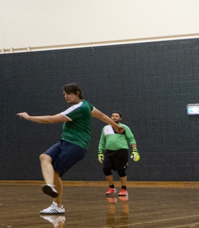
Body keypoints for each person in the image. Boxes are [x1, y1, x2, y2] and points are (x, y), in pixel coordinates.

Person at [17, 82, 115, 215]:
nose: (66, 97)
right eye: (64, 94)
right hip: (65, 141)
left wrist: (29, 117)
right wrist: (115, 125)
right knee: (44, 157)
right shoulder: (87, 105)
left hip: (76, 144)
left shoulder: (78, 108)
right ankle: (50, 186)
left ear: (77, 93)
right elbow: (101, 115)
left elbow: (51, 119)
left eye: (68, 94)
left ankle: (57, 205)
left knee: (56, 172)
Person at [97, 112, 139, 198]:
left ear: (120, 118)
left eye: (116, 116)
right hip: (109, 152)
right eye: (113, 116)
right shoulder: (105, 128)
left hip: (121, 151)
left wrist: (135, 150)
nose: (114, 118)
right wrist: (100, 152)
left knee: (121, 171)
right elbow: (102, 141)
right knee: (106, 169)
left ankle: (124, 189)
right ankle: (111, 187)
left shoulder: (124, 128)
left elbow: (131, 139)